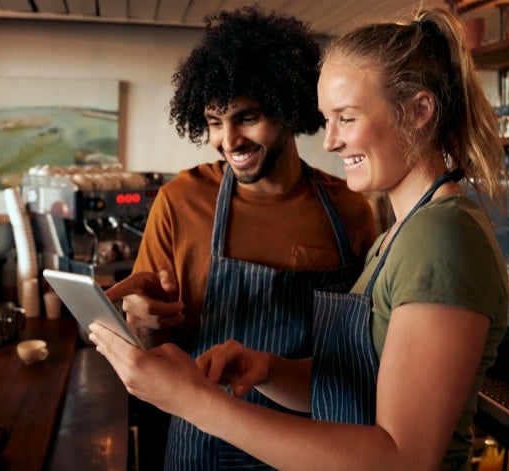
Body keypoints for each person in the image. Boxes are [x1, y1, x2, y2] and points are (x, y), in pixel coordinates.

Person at [95, 6, 508, 470]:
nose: (329, 142)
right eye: (327, 119)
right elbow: (357, 383)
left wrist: (197, 402)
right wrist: (270, 370)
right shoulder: (400, 236)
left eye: (346, 119)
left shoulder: (441, 238)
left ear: (418, 110)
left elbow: (403, 459)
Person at [105, 5, 378, 469]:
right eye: (214, 122)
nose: (228, 140)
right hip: (200, 446)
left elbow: (359, 354)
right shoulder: (179, 202)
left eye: (246, 118)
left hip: (310, 448)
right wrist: (143, 327)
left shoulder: (350, 210)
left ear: (289, 109)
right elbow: (152, 356)